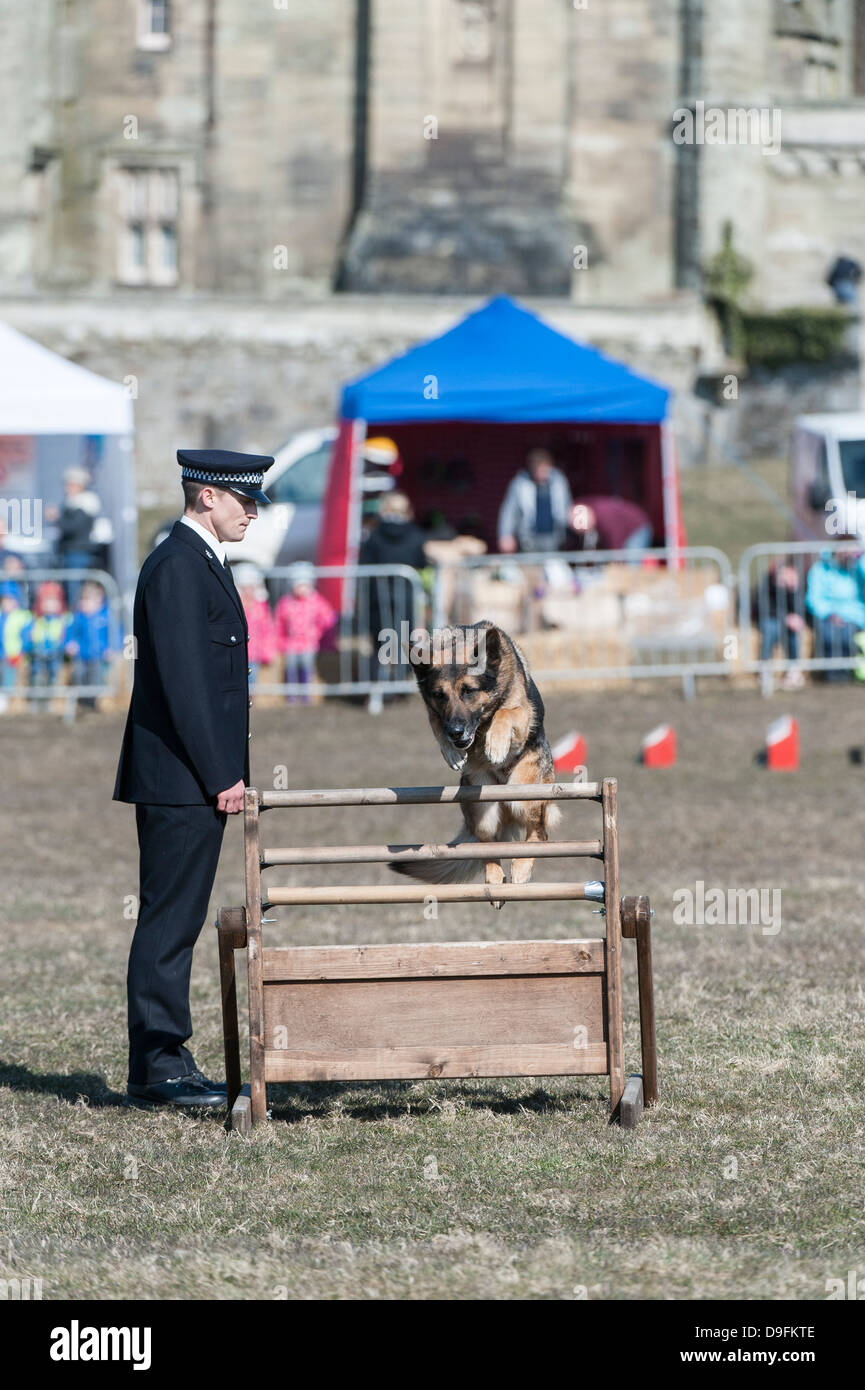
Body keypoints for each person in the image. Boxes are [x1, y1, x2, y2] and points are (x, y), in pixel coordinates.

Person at [113, 448, 273, 1111]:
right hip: (180, 778)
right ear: (207, 496)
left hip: (190, 777)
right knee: (168, 923)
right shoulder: (180, 565)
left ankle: (166, 1061)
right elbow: (184, 684)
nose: (252, 511)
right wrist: (220, 774)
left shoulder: (200, 561)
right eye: (243, 500)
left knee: (176, 920)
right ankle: (158, 1067)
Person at [359, 491, 431, 709]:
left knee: (379, 647)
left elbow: (363, 564)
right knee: (403, 645)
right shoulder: (416, 535)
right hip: (405, 599)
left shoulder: (373, 536)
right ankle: (399, 689)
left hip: (377, 601)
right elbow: (421, 562)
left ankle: (376, 694)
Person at [47, 467, 113, 599]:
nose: (67, 488)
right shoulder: (71, 504)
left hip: (78, 554)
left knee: (75, 592)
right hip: (70, 554)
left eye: (70, 484)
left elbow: (74, 528)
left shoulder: (84, 504)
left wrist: (57, 519)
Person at [274, 563, 335, 704]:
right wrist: (280, 640)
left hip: (309, 643)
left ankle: (306, 693)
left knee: (307, 667)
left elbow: (327, 618)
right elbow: (279, 622)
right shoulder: (286, 602)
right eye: (298, 585)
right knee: (291, 667)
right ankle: (292, 694)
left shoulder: (317, 601)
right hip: (291, 644)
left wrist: (320, 634)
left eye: (305, 585)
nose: (302, 589)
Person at [805, 549, 865, 682]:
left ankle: (847, 673)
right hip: (827, 615)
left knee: (847, 637)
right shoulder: (820, 568)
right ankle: (832, 675)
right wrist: (828, 613)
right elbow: (813, 598)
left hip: (854, 617)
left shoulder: (858, 567)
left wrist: (860, 559)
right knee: (829, 636)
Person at [497, 449, 573, 553]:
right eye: (540, 469)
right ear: (533, 468)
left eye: (546, 469)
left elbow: (567, 508)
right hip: (528, 539)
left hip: (555, 539)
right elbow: (509, 512)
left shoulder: (559, 482)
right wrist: (505, 535)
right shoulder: (520, 483)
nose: (543, 473)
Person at [751, 562, 806, 689]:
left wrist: (792, 590)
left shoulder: (795, 586)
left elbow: (800, 608)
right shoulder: (766, 584)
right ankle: (765, 669)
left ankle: (793, 670)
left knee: (793, 632)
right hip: (769, 618)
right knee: (771, 629)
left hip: (786, 621)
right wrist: (785, 618)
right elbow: (762, 606)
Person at [64, 580, 119, 709]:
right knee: (78, 674)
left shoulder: (106, 617)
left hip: (99, 656)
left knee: (97, 676)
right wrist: (70, 644)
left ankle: (95, 700)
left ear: (98, 600)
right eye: (82, 600)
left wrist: (112, 648)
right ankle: (82, 699)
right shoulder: (78, 618)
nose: (83, 603)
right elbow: (70, 633)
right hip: (81, 656)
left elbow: (115, 634)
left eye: (87, 600)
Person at [234, 564, 277, 689]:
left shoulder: (260, 607)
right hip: (238, 651)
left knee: (251, 680)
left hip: (253, 653)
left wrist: (267, 651)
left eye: (251, 587)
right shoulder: (236, 606)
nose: (249, 591)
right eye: (245, 587)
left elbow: (267, 629)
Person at [26, 581, 70, 698]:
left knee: (55, 674)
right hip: (38, 655)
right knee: (37, 675)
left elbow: (68, 638)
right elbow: (28, 639)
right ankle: (37, 698)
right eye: (46, 601)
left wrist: (61, 646)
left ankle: (53, 698)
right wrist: (32, 645)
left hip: (56, 655)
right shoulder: (35, 621)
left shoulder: (64, 620)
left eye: (53, 601)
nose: (50, 605)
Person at [568, 495, 654, 553]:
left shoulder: (603, 515)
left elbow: (617, 535)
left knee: (632, 565)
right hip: (630, 529)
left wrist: (616, 557)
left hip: (637, 528)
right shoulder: (592, 511)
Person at [0, 588, 32, 704]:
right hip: (2, 654)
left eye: (10, 600)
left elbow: (26, 638)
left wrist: (22, 653)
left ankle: (5, 699)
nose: (6, 603)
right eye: (4, 600)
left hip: (15, 655)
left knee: (9, 673)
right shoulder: (1, 616)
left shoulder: (22, 617)